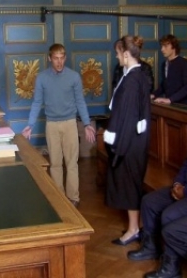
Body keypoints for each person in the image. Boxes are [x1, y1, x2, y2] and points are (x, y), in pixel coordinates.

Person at [127, 92, 187, 278]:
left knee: (169, 215)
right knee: (149, 201)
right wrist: (178, 183)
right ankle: (151, 247)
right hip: (185, 188)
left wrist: (186, 191)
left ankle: (171, 266)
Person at [22, 43, 96, 207]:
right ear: (50, 59)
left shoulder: (74, 77)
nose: (59, 62)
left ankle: (73, 198)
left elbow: (80, 102)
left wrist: (86, 123)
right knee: (55, 163)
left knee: (71, 163)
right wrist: (30, 125)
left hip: (70, 123)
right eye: (56, 58)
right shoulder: (42, 77)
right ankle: (59, 198)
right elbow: (37, 102)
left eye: (62, 58)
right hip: (52, 125)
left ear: (65, 58)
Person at [104, 35, 151, 246]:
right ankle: (134, 226)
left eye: (117, 53)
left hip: (129, 143)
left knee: (130, 185)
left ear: (125, 53)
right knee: (132, 184)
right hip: (134, 140)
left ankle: (133, 229)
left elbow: (126, 116)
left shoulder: (131, 81)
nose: (116, 57)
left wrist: (116, 147)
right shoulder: (138, 74)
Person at [151, 34, 187, 105]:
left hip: (183, 105)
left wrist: (170, 99)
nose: (162, 49)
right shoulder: (164, 64)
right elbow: (165, 84)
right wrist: (153, 95)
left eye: (165, 46)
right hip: (170, 105)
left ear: (173, 47)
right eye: (162, 46)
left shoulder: (184, 63)